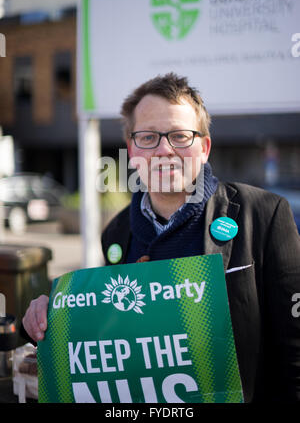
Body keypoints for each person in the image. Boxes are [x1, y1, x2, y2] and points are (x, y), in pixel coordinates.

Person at [22, 73, 300, 403]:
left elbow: (295, 350)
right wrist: (54, 313)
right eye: (149, 137)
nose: (164, 149)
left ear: (204, 147)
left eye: (180, 136)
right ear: (132, 150)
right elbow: (111, 333)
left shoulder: (264, 215)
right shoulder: (116, 233)